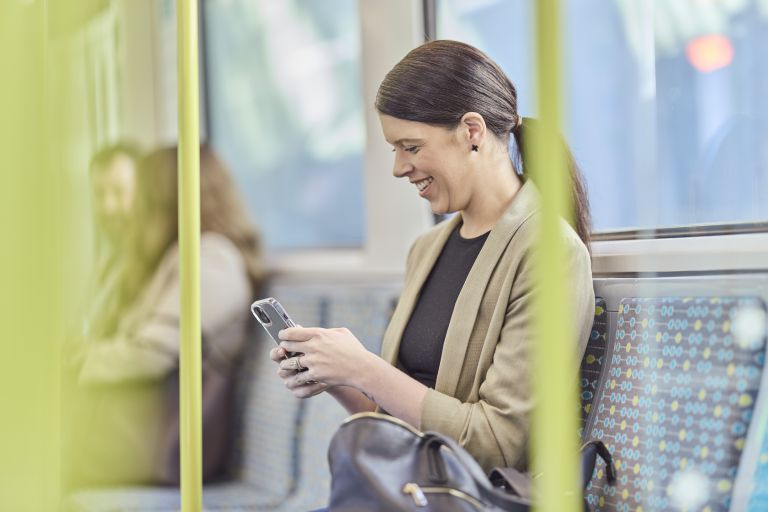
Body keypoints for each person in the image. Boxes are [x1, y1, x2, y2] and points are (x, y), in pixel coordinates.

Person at [270, 39, 594, 473]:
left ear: (472, 132)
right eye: (394, 150)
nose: (398, 168)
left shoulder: (549, 255)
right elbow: (397, 418)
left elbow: (500, 444)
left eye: (411, 147)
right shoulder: (426, 250)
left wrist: (364, 368)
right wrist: (335, 373)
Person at [65, 144, 264, 486]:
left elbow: (150, 353)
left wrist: (71, 365)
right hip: (143, 432)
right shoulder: (176, 256)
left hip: (167, 442)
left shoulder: (211, 259)